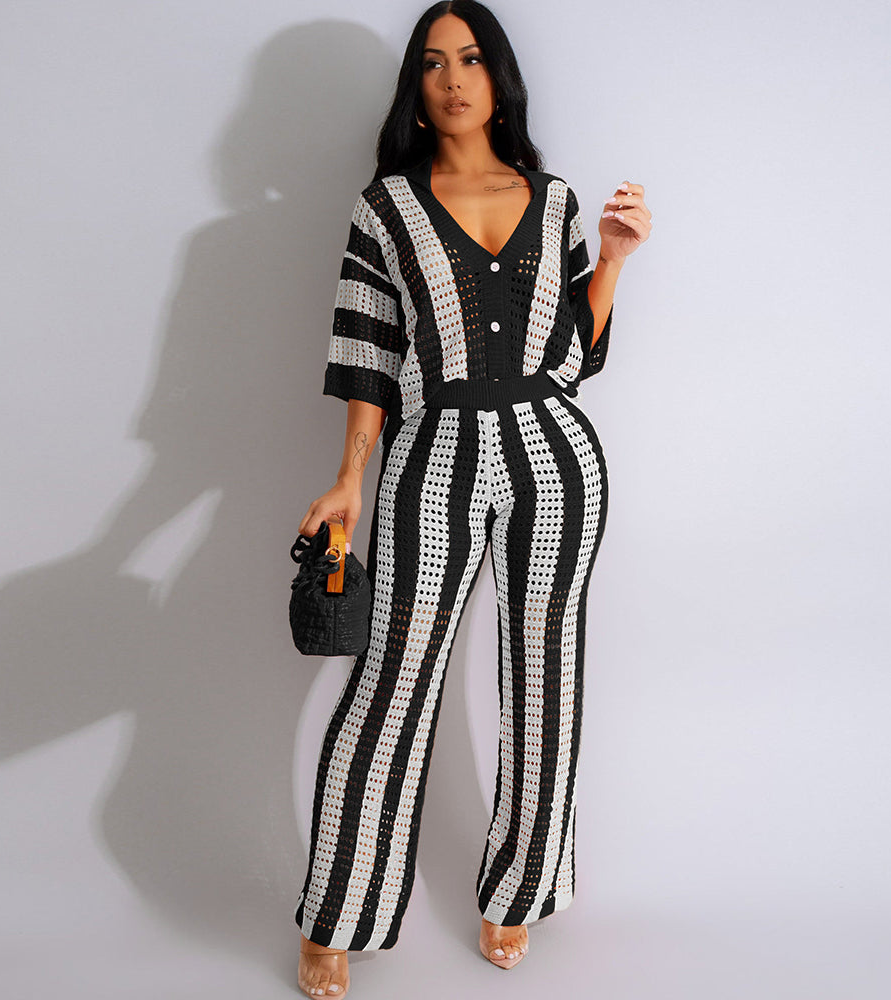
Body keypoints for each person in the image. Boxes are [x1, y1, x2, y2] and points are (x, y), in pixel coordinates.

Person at [294, 2, 651, 996]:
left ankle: (518, 891)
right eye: (433, 63)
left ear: (500, 78)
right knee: (392, 680)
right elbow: (367, 358)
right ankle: (338, 912)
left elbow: (574, 357)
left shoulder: (555, 201)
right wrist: (349, 479)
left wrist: (612, 261)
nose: (453, 79)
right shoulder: (385, 211)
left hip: (555, 456)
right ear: (416, 87)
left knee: (546, 677)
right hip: (432, 455)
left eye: (472, 59)